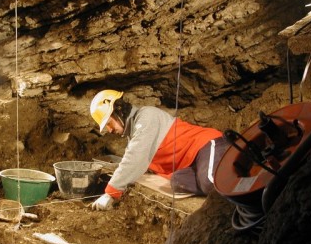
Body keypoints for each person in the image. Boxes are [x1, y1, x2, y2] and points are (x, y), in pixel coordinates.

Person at [89, 89, 228, 210]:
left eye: (109, 123)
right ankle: (227, 173)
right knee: (177, 182)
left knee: (211, 183)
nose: (109, 130)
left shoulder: (147, 117)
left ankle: (247, 194)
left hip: (207, 145)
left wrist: (111, 192)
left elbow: (135, 157)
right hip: (192, 163)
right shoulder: (134, 133)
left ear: (118, 110)